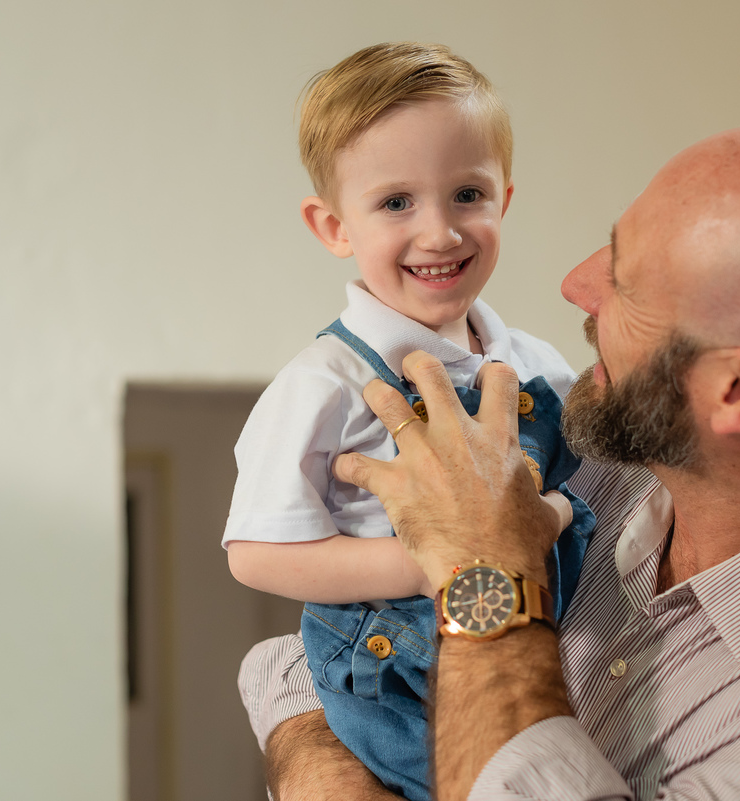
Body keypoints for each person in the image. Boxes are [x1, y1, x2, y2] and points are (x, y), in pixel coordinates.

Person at [240, 126, 740, 800]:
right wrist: (324, 764)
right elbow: (313, 658)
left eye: (624, 282)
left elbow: (449, 588)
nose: (575, 285)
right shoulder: (602, 461)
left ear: (737, 389)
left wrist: (487, 573)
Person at [222, 42, 593, 801]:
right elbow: (255, 553)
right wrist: (438, 560)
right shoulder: (324, 382)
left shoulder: (538, 362)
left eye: (467, 194)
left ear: (505, 202)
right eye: (397, 203)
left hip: (543, 643)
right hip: (390, 670)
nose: (440, 232)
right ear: (334, 227)